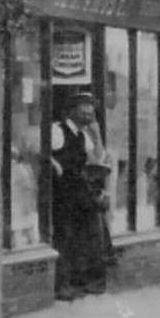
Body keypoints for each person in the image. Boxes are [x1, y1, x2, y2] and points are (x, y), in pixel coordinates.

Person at [49, 92, 113, 298]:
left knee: (83, 238)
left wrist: (97, 135)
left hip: (81, 194)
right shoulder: (57, 131)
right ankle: (62, 285)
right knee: (65, 237)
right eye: (84, 107)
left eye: (91, 107)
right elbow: (40, 153)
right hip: (63, 194)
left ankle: (81, 282)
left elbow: (97, 160)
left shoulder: (84, 135)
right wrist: (56, 165)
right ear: (72, 110)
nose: (89, 112)